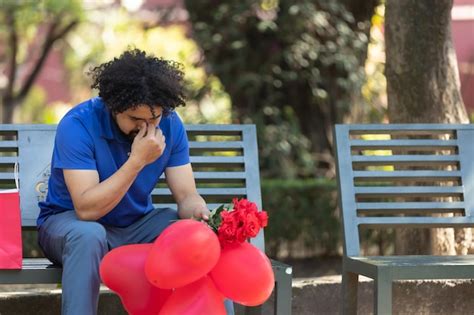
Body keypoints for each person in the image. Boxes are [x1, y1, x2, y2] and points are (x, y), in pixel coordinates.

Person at [37, 49, 234, 315]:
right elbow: (87, 209)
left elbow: (186, 195)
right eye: (134, 119)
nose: (145, 128)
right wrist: (136, 161)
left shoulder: (171, 125)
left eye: (153, 119)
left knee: (195, 235)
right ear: (112, 106)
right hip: (70, 225)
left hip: (135, 225)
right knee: (89, 234)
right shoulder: (78, 124)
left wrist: (199, 213)